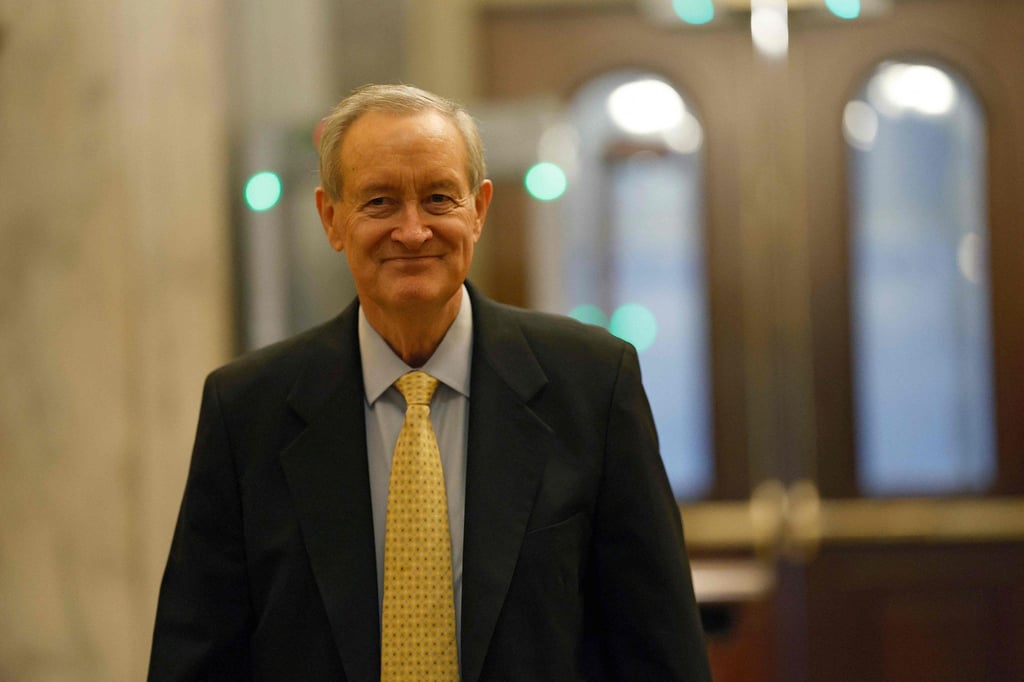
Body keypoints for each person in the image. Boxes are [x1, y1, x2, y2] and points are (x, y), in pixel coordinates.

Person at [148, 84, 711, 681]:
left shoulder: (594, 386)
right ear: (331, 218)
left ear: (479, 209)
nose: (413, 231)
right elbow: (197, 662)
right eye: (380, 202)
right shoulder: (246, 411)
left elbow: (661, 653)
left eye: (439, 197)